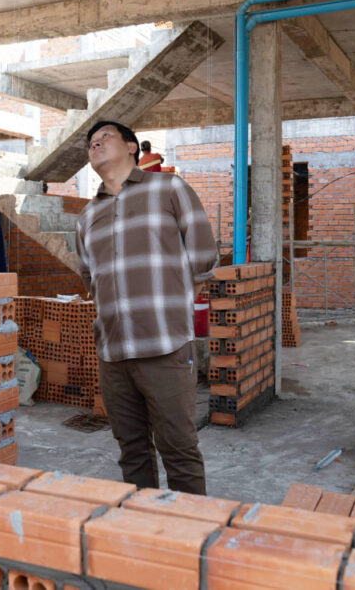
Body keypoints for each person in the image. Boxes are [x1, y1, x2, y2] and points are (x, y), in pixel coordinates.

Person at [75, 120, 218, 495]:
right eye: (91, 142)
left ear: (131, 147)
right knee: (132, 451)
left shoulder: (168, 189)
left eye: (105, 137)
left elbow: (202, 258)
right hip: (113, 355)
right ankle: (145, 523)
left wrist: (171, 308)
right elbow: (90, 278)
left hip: (165, 347)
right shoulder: (87, 217)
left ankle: (191, 525)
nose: (96, 144)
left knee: (178, 449)